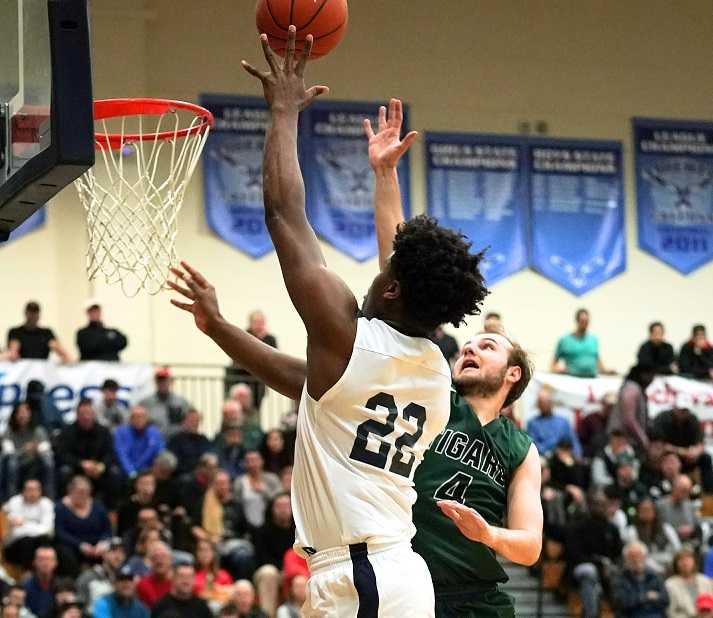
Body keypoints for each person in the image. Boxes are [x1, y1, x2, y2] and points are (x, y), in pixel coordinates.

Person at [169, 94, 540, 617]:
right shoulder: (433, 372)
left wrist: (282, 109)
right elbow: (302, 376)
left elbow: (283, 212)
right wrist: (219, 327)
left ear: (391, 290)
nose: (379, 271)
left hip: (362, 575)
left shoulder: (349, 343)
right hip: (383, 572)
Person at [565, 491, 623, 618]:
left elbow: (618, 554)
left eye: (603, 504)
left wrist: (610, 566)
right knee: (589, 571)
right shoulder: (577, 527)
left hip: (607, 568)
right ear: (589, 506)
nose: (600, 508)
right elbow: (574, 555)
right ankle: (591, 614)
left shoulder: (613, 528)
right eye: (596, 504)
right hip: (581, 567)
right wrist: (598, 563)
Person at [55, 398, 120, 505]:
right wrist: (81, 464)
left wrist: (101, 466)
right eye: (82, 414)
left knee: (115, 474)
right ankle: (64, 507)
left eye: (89, 413)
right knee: (64, 472)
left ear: (94, 414)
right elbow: (62, 455)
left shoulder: (104, 431)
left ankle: (112, 512)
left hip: (98, 470)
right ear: (77, 414)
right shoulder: (67, 432)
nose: (86, 417)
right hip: (77, 469)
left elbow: (111, 453)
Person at [54, 476, 113, 577]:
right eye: (79, 492)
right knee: (64, 552)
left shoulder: (98, 506)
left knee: (112, 551)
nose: (83, 495)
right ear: (70, 491)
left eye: (86, 491)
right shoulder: (61, 507)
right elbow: (60, 532)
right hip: (73, 545)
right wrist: (80, 545)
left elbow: (108, 530)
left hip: (96, 546)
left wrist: (103, 542)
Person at [653, 394, 713, 492]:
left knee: (706, 458)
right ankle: (662, 490)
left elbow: (700, 443)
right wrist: (682, 451)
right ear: (675, 408)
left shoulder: (692, 419)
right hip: (667, 455)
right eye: (681, 410)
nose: (683, 413)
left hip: (687, 457)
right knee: (669, 460)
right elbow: (659, 445)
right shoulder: (663, 418)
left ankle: (709, 494)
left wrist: (696, 452)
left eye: (686, 410)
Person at [252, 493, 295, 617]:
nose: (283, 510)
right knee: (268, 573)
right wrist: (282, 570)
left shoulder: (300, 530)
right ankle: (268, 615)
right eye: (279, 506)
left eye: (286, 506)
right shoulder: (262, 531)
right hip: (269, 571)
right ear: (272, 509)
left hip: (293, 571)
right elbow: (261, 559)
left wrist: (288, 571)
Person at [1, 401, 54, 500]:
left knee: (48, 461)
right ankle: (11, 499)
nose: (23, 415)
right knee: (11, 463)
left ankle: (49, 498)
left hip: (34, 463)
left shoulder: (38, 430)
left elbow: (47, 449)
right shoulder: (9, 431)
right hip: (17, 464)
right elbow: (8, 452)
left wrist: (37, 449)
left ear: (30, 414)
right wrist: (25, 450)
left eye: (25, 412)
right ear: (15, 415)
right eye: (20, 412)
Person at [3, 479, 54, 569]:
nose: (32, 493)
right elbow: (16, 532)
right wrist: (36, 526)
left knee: (45, 541)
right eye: (29, 489)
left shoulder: (46, 503)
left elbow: (46, 529)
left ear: (40, 491)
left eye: (35, 489)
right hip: (15, 545)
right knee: (27, 541)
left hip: (39, 542)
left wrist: (24, 524)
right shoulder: (14, 502)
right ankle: (27, 573)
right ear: (23, 491)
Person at [607, 363, 657, 452]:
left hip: (628, 440)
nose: (652, 380)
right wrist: (642, 438)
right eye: (652, 376)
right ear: (644, 375)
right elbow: (629, 419)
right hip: (622, 440)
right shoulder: (632, 388)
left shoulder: (634, 388)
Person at [611, 541, 668, 618]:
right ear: (626, 559)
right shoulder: (619, 578)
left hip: (655, 614)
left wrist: (637, 599)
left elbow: (665, 600)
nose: (636, 560)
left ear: (645, 557)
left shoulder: (655, 576)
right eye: (632, 556)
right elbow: (622, 603)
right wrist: (646, 596)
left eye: (639, 555)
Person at [621, 498, 677, 575]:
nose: (646, 512)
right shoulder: (632, 531)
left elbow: (677, 548)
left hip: (667, 563)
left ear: (654, 511)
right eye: (643, 510)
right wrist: (660, 570)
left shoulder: (666, 528)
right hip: (645, 567)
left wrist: (672, 566)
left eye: (649, 509)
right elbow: (637, 554)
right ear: (638, 512)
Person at [551, 308, 613, 377]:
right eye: (582, 321)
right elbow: (553, 365)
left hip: (592, 379)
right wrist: (558, 370)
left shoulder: (593, 340)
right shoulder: (565, 340)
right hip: (572, 380)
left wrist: (606, 371)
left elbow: (597, 359)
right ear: (577, 321)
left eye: (587, 321)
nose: (585, 324)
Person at [526, 386, 582, 457]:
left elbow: (574, 441)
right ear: (538, 404)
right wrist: (551, 451)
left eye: (546, 401)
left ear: (551, 403)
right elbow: (533, 446)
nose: (543, 405)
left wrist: (577, 455)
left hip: (564, 458)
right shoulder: (532, 423)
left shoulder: (563, 422)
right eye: (541, 402)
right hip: (543, 459)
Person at [6, 302, 71, 362]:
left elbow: (58, 349)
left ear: (39, 314)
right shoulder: (16, 332)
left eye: (35, 312)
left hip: (42, 370)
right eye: (30, 312)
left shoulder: (46, 333)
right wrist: (13, 354)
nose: (33, 316)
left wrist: (66, 358)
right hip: (23, 370)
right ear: (26, 313)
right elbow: (13, 350)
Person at [233, 451, 280, 530]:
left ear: (262, 461)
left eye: (255, 460)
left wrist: (265, 491)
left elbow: (280, 499)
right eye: (248, 461)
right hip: (248, 526)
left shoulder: (272, 479)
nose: (252, 464)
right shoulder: (239, 482)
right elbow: (237, 503)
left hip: (271, 525)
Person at [115, 406, 166, 480]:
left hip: (149, 471)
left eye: (142, 417)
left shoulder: (154, 432)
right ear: (130, 419)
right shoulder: (121, 432)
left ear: (147, 419)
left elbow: (160, 452)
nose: (139, 420)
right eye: (135, 417)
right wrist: (131, 471)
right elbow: (121, 454)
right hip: (126, 471)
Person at [75, 537, 125, 611]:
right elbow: (79, 607)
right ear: (103, 554)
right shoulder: (88, 577)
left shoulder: (126, 580)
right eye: (113, 551)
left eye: (121, 552)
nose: (118, 556)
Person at [139, 368, 192, 437]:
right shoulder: (145, 403)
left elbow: (193, 418)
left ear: (171, 382)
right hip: (154, 442)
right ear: (155, 382)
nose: (162, 383)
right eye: (160, 381)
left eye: (165, 380)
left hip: (176, 442)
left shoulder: (181, 402)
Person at [665, 546, 713, 618]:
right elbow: (670, 612)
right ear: (676, 564)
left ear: (694, 561)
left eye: (688, 559)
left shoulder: (705, 580)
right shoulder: (670, 584)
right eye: (681, 560)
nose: (685, 563)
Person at [657, 475, 700, 547]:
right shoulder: (661, 506)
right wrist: (677, 531)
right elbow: (658, 529)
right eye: (683, 490)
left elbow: (696, 526)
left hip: (688, 545)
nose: (685, 494)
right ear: (674, 488)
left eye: (687, 491)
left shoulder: (690, 506)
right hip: (666, 545)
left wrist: (691, 529)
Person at [166, 409, 210, 476]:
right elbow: (174, 464)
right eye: (191, 420)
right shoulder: (175, 440)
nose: (194, 423)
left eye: (197, 421)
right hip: (183, 476)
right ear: (183, 422)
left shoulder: (204, 440)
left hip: (202, 476)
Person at [23, 546, 58, 618]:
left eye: (49, 559)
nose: (45, 563)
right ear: (34, 562)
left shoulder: (62, 586)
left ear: (56, 562)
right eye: (41, 559)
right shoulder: (25, 586)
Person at [136, 542, 173, 609]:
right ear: (149, 561)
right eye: (155, 557)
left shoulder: (177, 583)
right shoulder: (143, 584)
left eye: (163, 556)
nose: (159, 560)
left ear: (171, 560)